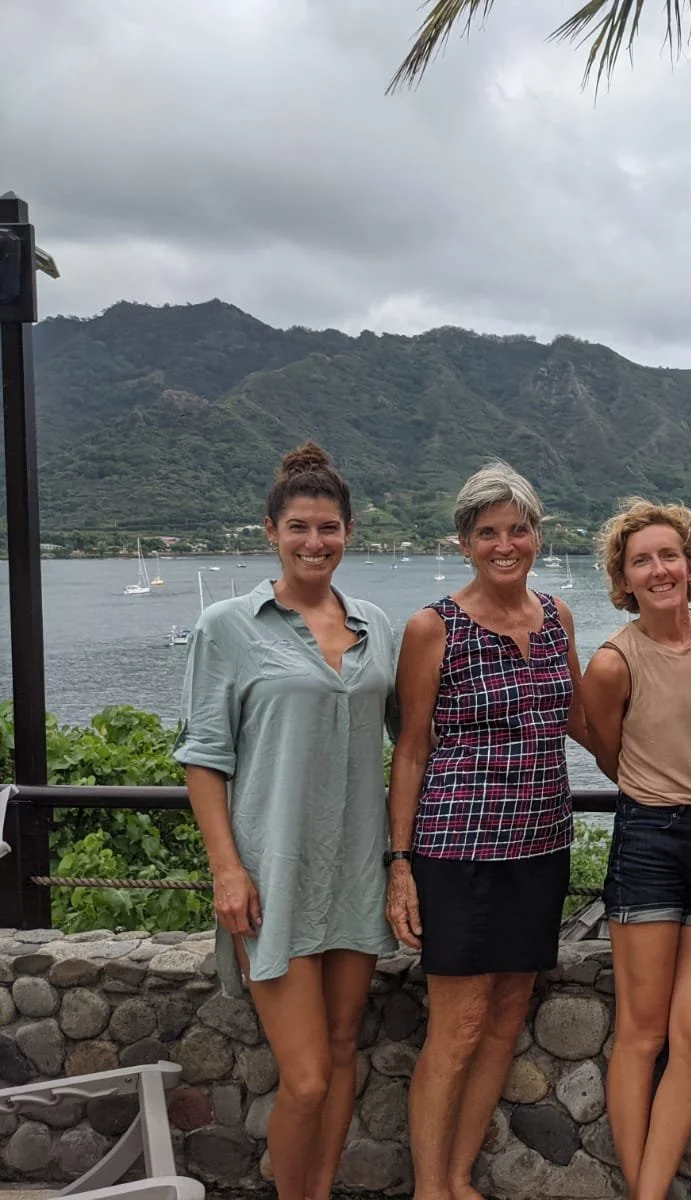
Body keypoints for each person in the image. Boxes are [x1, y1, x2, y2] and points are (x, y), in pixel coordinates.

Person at [177, 442, 397, 1200]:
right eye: (299, 526)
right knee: (304, 1078)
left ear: (349, 532)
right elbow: (203, 756)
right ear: (270, 529)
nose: (315, 542)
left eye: (329, 527)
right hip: (271, 877)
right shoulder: (228, 626)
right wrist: (227, 869)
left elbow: (418, 739)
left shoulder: (376, 626)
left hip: (355, 873)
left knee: (342, 1051)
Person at [384, 462, 587, 1200]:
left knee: (505, 1018)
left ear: (537, 534)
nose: (506, 545)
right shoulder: (433, 627)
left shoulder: (558, 617)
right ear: (465, 543)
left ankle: (459, 1177)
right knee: (460, 1027)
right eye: (488, 533)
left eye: (519, 529)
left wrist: (669, 769)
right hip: (459, 851)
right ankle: (428, 1189)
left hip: (542, 845)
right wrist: (400, 865)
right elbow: (411, 749)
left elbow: (577, 719)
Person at [580, 498, 691, 1200]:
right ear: (623, 577)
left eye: (669, 555)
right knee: (643, 1035)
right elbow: (607, 751)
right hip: (648, 840)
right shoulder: (616, 661)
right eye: (641, 560)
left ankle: (648, 1190)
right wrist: (656, 788)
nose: (659, 569)